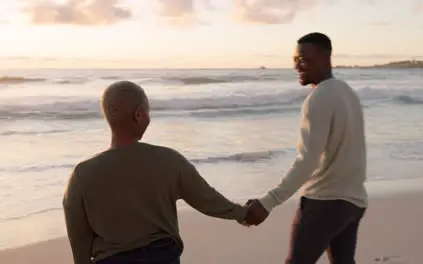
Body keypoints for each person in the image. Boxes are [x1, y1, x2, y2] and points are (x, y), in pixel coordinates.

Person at [63, 81, 265, 264]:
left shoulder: (82, 175)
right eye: (147, 112)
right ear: (139, 115)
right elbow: (207, 200)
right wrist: (244, 213)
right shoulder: (169, 161)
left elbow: (78, 236)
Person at [243, 33, 368, 264]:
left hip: (325, 202)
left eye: (303, 59)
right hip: (354, 202)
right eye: (295, 59)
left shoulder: (319, 98)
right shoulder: (347, 93)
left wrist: (268, 202)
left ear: (324, 58)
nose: (296, 65)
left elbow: (307, 161)